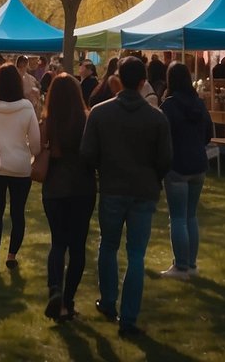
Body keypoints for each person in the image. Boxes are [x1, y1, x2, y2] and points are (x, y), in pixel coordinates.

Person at [81, 56, 173, 339]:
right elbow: (165, 159)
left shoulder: (100, 113)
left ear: (117, 79)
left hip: (112, 188)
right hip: (143, 191)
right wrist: (152, 177)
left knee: (108, 245)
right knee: (136, 254)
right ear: (143, 83)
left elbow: (87, 154)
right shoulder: (156, 118)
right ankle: (128, 317)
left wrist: (102, 170)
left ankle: (109, 302)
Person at [40, 72, 96, 322]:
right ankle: (68, 300)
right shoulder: (87, 120)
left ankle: (55, 288)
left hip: (54, 189)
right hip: (82, 188)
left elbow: (38, 149)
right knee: (77, 247)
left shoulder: (49, 122)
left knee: (58, 242)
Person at [0, 63, 40, 271]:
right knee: (18, 212)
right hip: (20, 166)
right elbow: (35, 142)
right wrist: (32, 154)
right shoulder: (26, 107)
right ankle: (11, 255)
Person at [159, 62, 213, 280]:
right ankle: (190, 263)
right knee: (191, 216)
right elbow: (208, 133)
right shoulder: (199, 104)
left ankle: (181, 266)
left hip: (177, 166)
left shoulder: (169, 106)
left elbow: (161, 136)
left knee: (179, 217)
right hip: (198, 164)